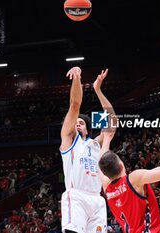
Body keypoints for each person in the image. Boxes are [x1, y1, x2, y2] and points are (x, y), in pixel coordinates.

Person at [60, 67, 116, 233]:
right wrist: (77, 78)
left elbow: (111, 124)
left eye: (82, 123)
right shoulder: (69, 140)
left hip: (97, 199)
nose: (77, 123)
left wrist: (97, 89)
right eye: (75, 122)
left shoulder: (95, 143)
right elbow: (75, 104)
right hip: (76, 196)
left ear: (87, 129)